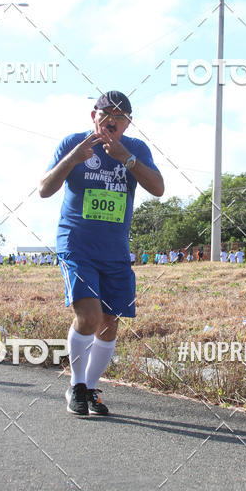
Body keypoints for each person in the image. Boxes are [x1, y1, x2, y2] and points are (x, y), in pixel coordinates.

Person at [40, 90, 164, 416]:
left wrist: (127, 158)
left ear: (128, 122)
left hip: (115, 250)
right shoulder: (73, 143)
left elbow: (158, 188)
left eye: (120, 117)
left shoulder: (135, 149)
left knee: (110, 322)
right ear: (93, 115)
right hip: (77, 244)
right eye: (106, 113)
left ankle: (91, 389)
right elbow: (44, 189)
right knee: (89, 317)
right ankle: (76, 385)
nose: (112, 120)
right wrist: (72, 159)